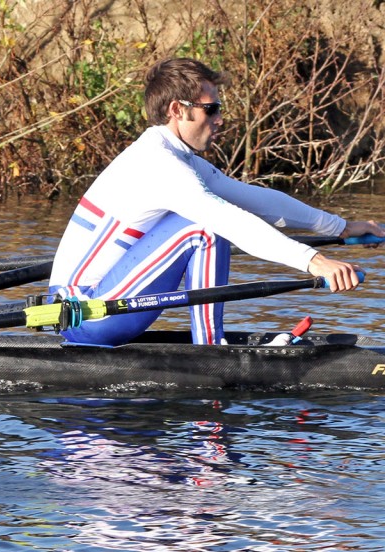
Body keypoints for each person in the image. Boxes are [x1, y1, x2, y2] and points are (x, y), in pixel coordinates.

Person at [48, 57, 383, 346]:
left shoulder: (178, 158)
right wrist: (316, 262)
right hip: (84, 313)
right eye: (211, 109)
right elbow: (231, 221)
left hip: (100, 304)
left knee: (213, 218)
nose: (220, 119)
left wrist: (341, 227)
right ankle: (211, 349)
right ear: (177, 110)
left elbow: (259, 201)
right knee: (205, 227)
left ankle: (208, 344)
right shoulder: (158, 165)